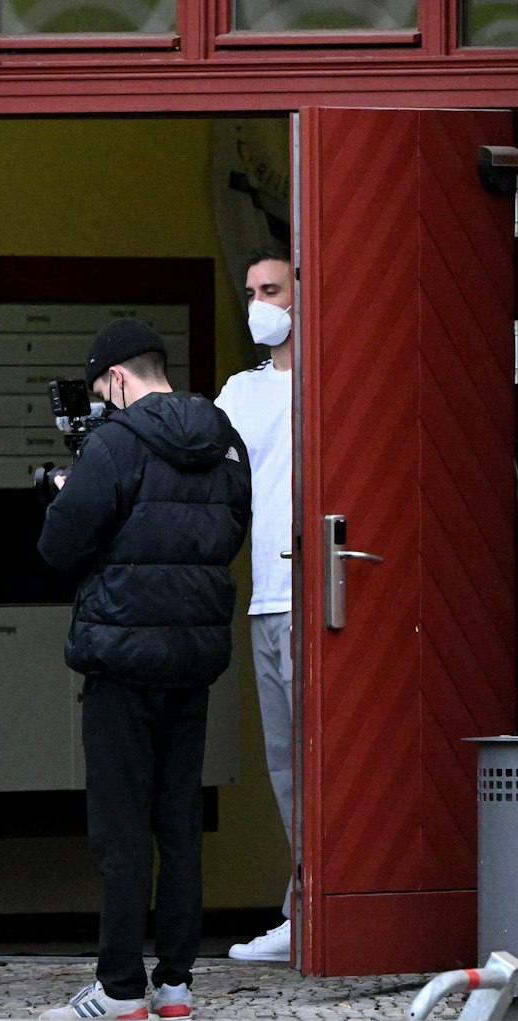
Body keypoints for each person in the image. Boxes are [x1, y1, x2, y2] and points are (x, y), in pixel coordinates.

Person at [35, 318, 250, 1021]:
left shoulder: (113, 444)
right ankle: (178, 983)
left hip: (122, 660)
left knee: (122, 827)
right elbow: (232, 530)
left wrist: (67, 492)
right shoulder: (226, 439)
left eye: (101, 390)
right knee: (179, 820)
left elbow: (59, 546)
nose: (101, 402)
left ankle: (121, 987)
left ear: (118, 378)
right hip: (193, 657)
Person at [215, 243, 298, 964]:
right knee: (285, 765)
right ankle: (302, 904)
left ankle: (324, 905)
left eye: (271, 289)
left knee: (323, 760)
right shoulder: (240, 392)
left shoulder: (333, 382)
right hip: (266, 599)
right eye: (251, 293)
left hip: (322, 590)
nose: (258, 306)